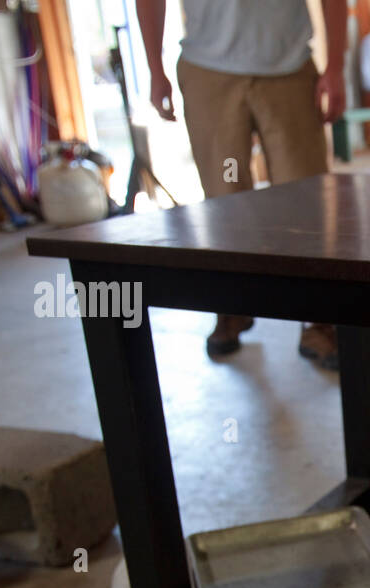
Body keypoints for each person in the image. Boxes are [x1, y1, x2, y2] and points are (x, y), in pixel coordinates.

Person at [135, 0, 347, 367]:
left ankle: (318, 320)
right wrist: (155, 67)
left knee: (307, 203)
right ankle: (232, 307)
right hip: (209, 71)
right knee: (224, 200)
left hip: (289, 67)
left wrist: (337, 68)